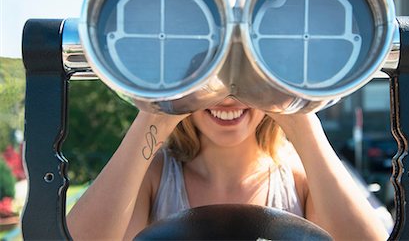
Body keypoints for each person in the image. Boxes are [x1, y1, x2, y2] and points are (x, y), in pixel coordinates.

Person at [67, 96, 389, 240]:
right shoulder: (155, 175)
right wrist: (158, 111)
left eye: (246, 74)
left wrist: (299, 117)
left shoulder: (300, 176)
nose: (228, 97)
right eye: (212, 74)